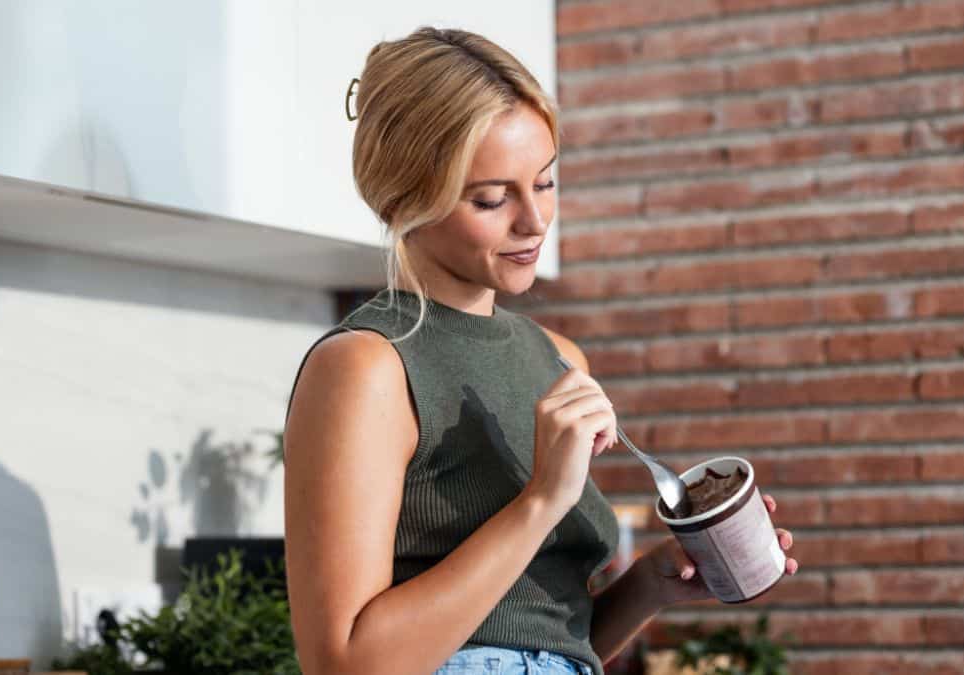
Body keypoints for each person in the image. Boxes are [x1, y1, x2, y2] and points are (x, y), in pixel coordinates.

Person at [282, 26, 798, 675]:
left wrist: (650, 586)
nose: (534, 220)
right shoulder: (366, 365)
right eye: (492, 198)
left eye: (546, 182)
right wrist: (541, 500)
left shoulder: (559, 359)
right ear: (408, 194)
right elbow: (344, 662)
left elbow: (544, 642)